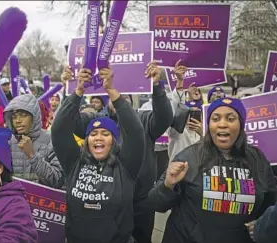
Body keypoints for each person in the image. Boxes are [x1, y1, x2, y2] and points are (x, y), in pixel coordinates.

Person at [61, 61, 173, 243]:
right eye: (114, 92)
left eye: (124, 95)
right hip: (105, 202)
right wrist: (69, 89)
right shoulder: (96, 121)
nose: (118, 96)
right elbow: (67, 123)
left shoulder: (143, 119)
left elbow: (165, 117)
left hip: (141, 201)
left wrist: (157, 87)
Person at [140, 97, 277, 243]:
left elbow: (270, 204)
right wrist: (168, 185)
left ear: (241, 124)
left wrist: (262, 225)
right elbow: (155, 204)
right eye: (216, 119)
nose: (222, 124)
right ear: (209, 124)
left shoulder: (258, 160)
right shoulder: (189, 156)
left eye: (230, 119)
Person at [51, 66, 146, 243]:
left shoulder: (126, 165)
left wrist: (111, 90)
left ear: (114, 140)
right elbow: (58, 131)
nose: (98, 138)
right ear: (86, 141)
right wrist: (78, 90)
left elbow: (136, 132)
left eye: (105, 134)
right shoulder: (74, 162)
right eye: (93, 135)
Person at [4, 94, 64, 188]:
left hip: (43, 200)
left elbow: (57, 180)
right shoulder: (9, 141)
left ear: (34, 117)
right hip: (15, 200)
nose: (18, 121)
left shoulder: (52, 140)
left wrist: (32, 155)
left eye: (23, 115)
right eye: (14, 117)